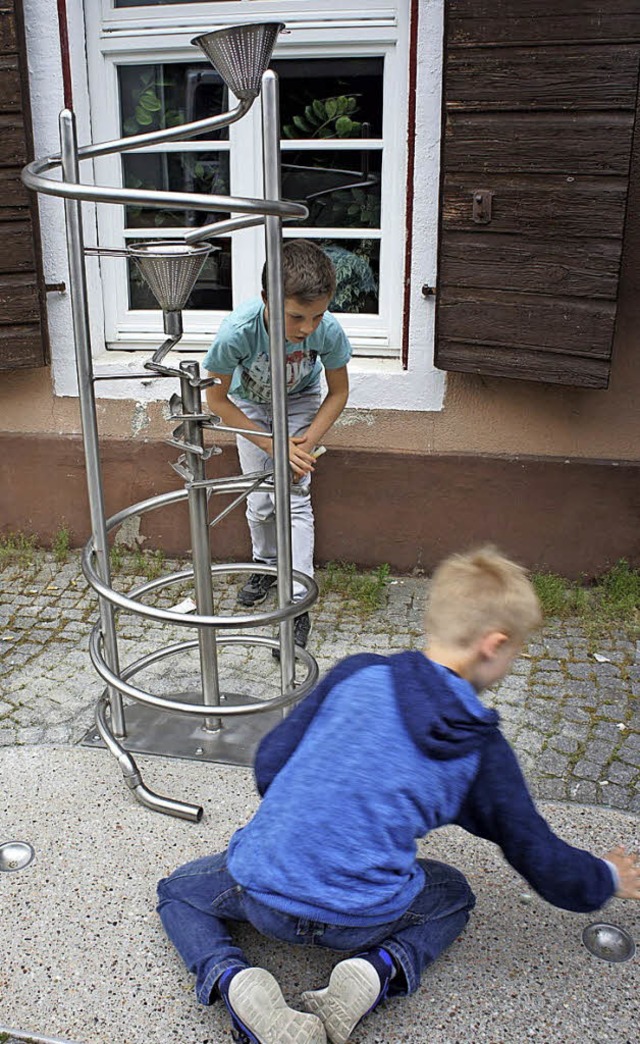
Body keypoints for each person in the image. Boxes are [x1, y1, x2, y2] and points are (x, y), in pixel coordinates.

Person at [156, 547, 640, 1044]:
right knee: (453, 894)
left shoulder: (356, 673)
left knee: (176, 891)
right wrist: (602, 877)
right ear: (493, 646)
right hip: (363, 918)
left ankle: (234, 981)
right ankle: (373, 972)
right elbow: (538, 854)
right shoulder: (479, 750)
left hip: (261, 896)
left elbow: (270, 764)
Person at [202, 239, 352, 652]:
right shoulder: (237, 333)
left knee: (294, 497)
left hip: (300, 404)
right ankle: (266, 566)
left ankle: (298, 598)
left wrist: (306, 442)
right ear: (267, 298)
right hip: (248, 407)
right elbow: (215, 400)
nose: (307, 328)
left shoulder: (328, 331)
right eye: (296, 317)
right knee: (260, 498)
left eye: (317, 316)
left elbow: (338, 392)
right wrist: (271, 443)